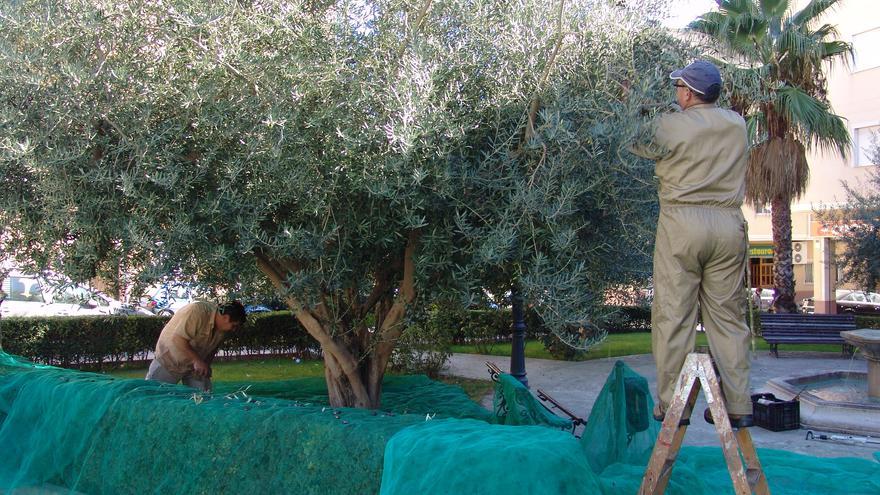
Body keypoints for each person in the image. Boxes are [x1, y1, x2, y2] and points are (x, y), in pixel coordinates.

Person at [631, 60, 753, 428]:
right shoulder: (737, 124)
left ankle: (673, 404)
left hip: (682, 223)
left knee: (673, 315)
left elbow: (634, 140)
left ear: (687, 92)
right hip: (729, 223)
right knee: (729, 319)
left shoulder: (670, 126)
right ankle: (739, 404)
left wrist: (632, 103)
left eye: (678, 88)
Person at [145, 300, 246, 392]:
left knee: (203, 399)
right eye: (234, 326)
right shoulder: (197, 311)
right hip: (169, 360)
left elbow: (212, 349)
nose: (234, 330)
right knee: (153, 396)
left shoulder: (222, 329)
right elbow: (178, 340)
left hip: (194, 366)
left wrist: (206, 365)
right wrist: (197, 361)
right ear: (225, 317)